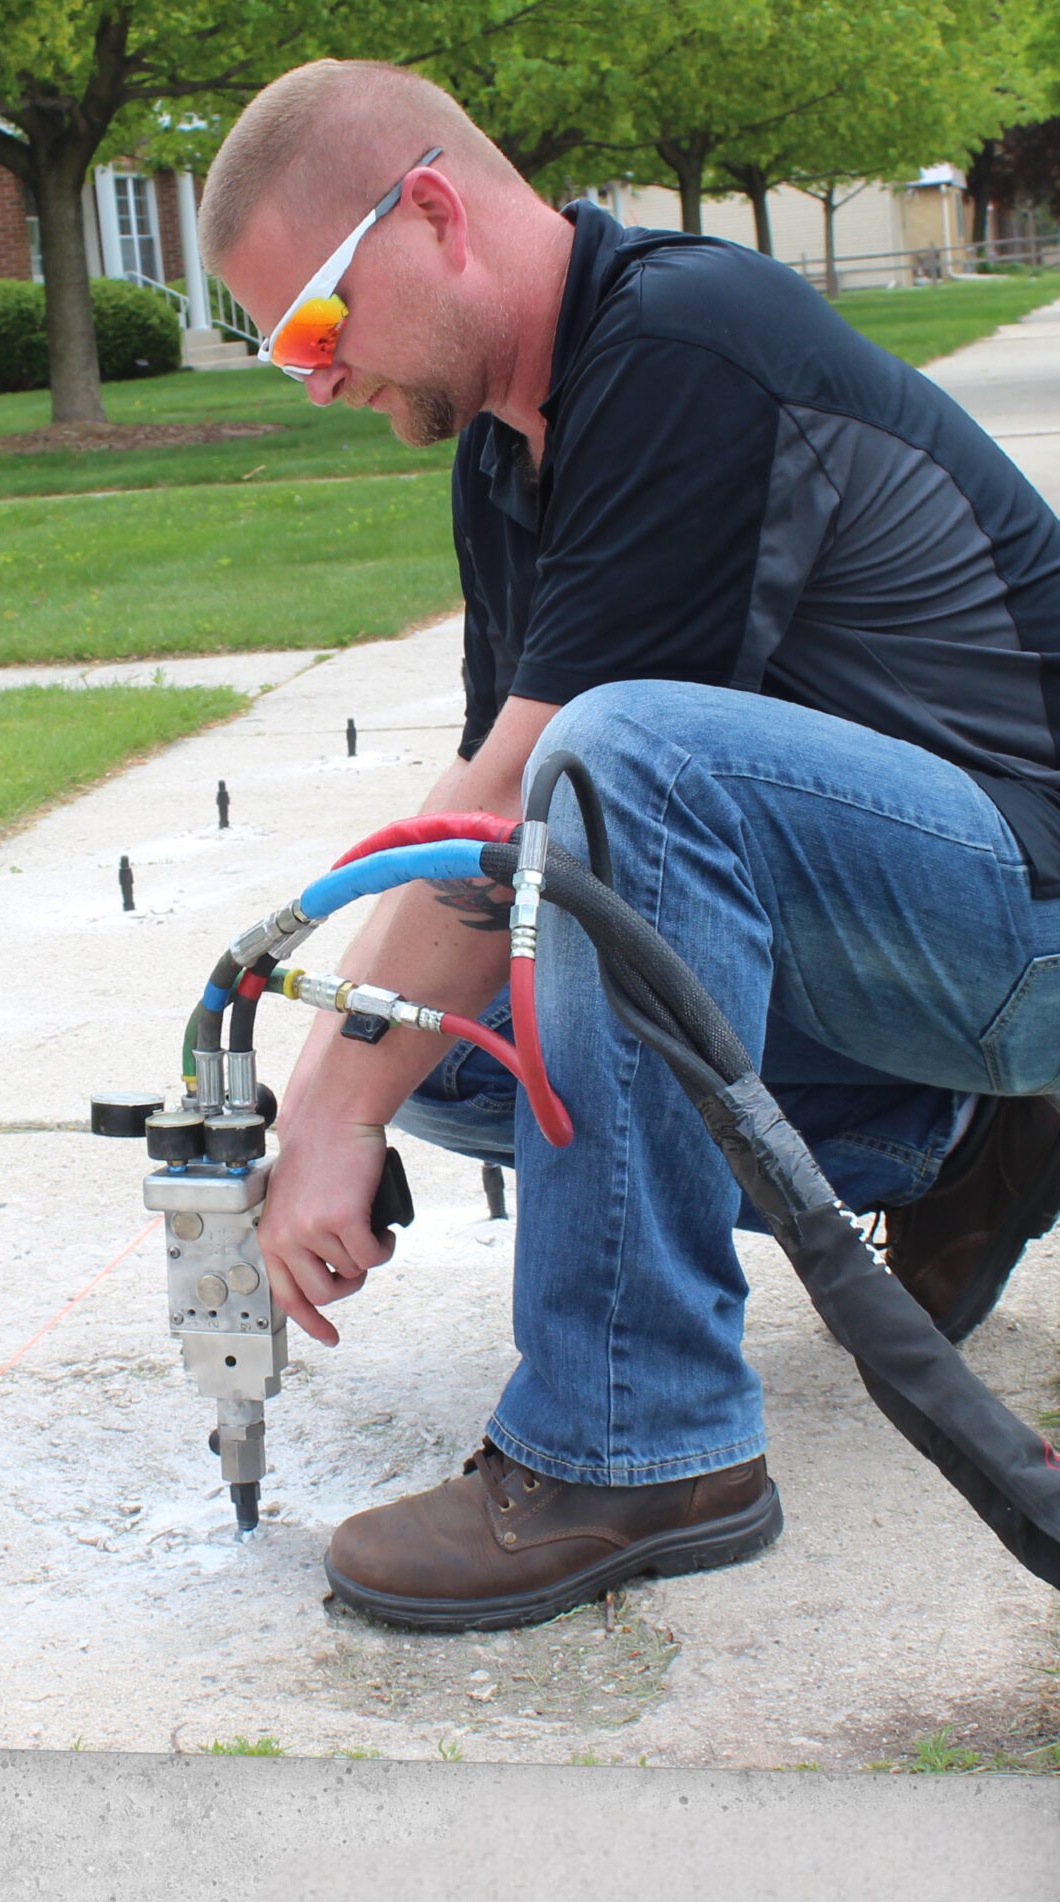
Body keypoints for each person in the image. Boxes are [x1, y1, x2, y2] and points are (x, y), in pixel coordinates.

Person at [197, 59, 1060, 1633]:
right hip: (907, 950)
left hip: (1031, 903)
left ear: (436, 213)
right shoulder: (505, 454)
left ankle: (640, 1436)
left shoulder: (684, 345)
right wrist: (343, 1079)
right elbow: (477, 850)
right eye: (280, 350)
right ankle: (958, 1136)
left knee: (618, 763)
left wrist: (331, 1102)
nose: (309, 379)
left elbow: (534, 799)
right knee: (459, 1043)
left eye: (318, 325)